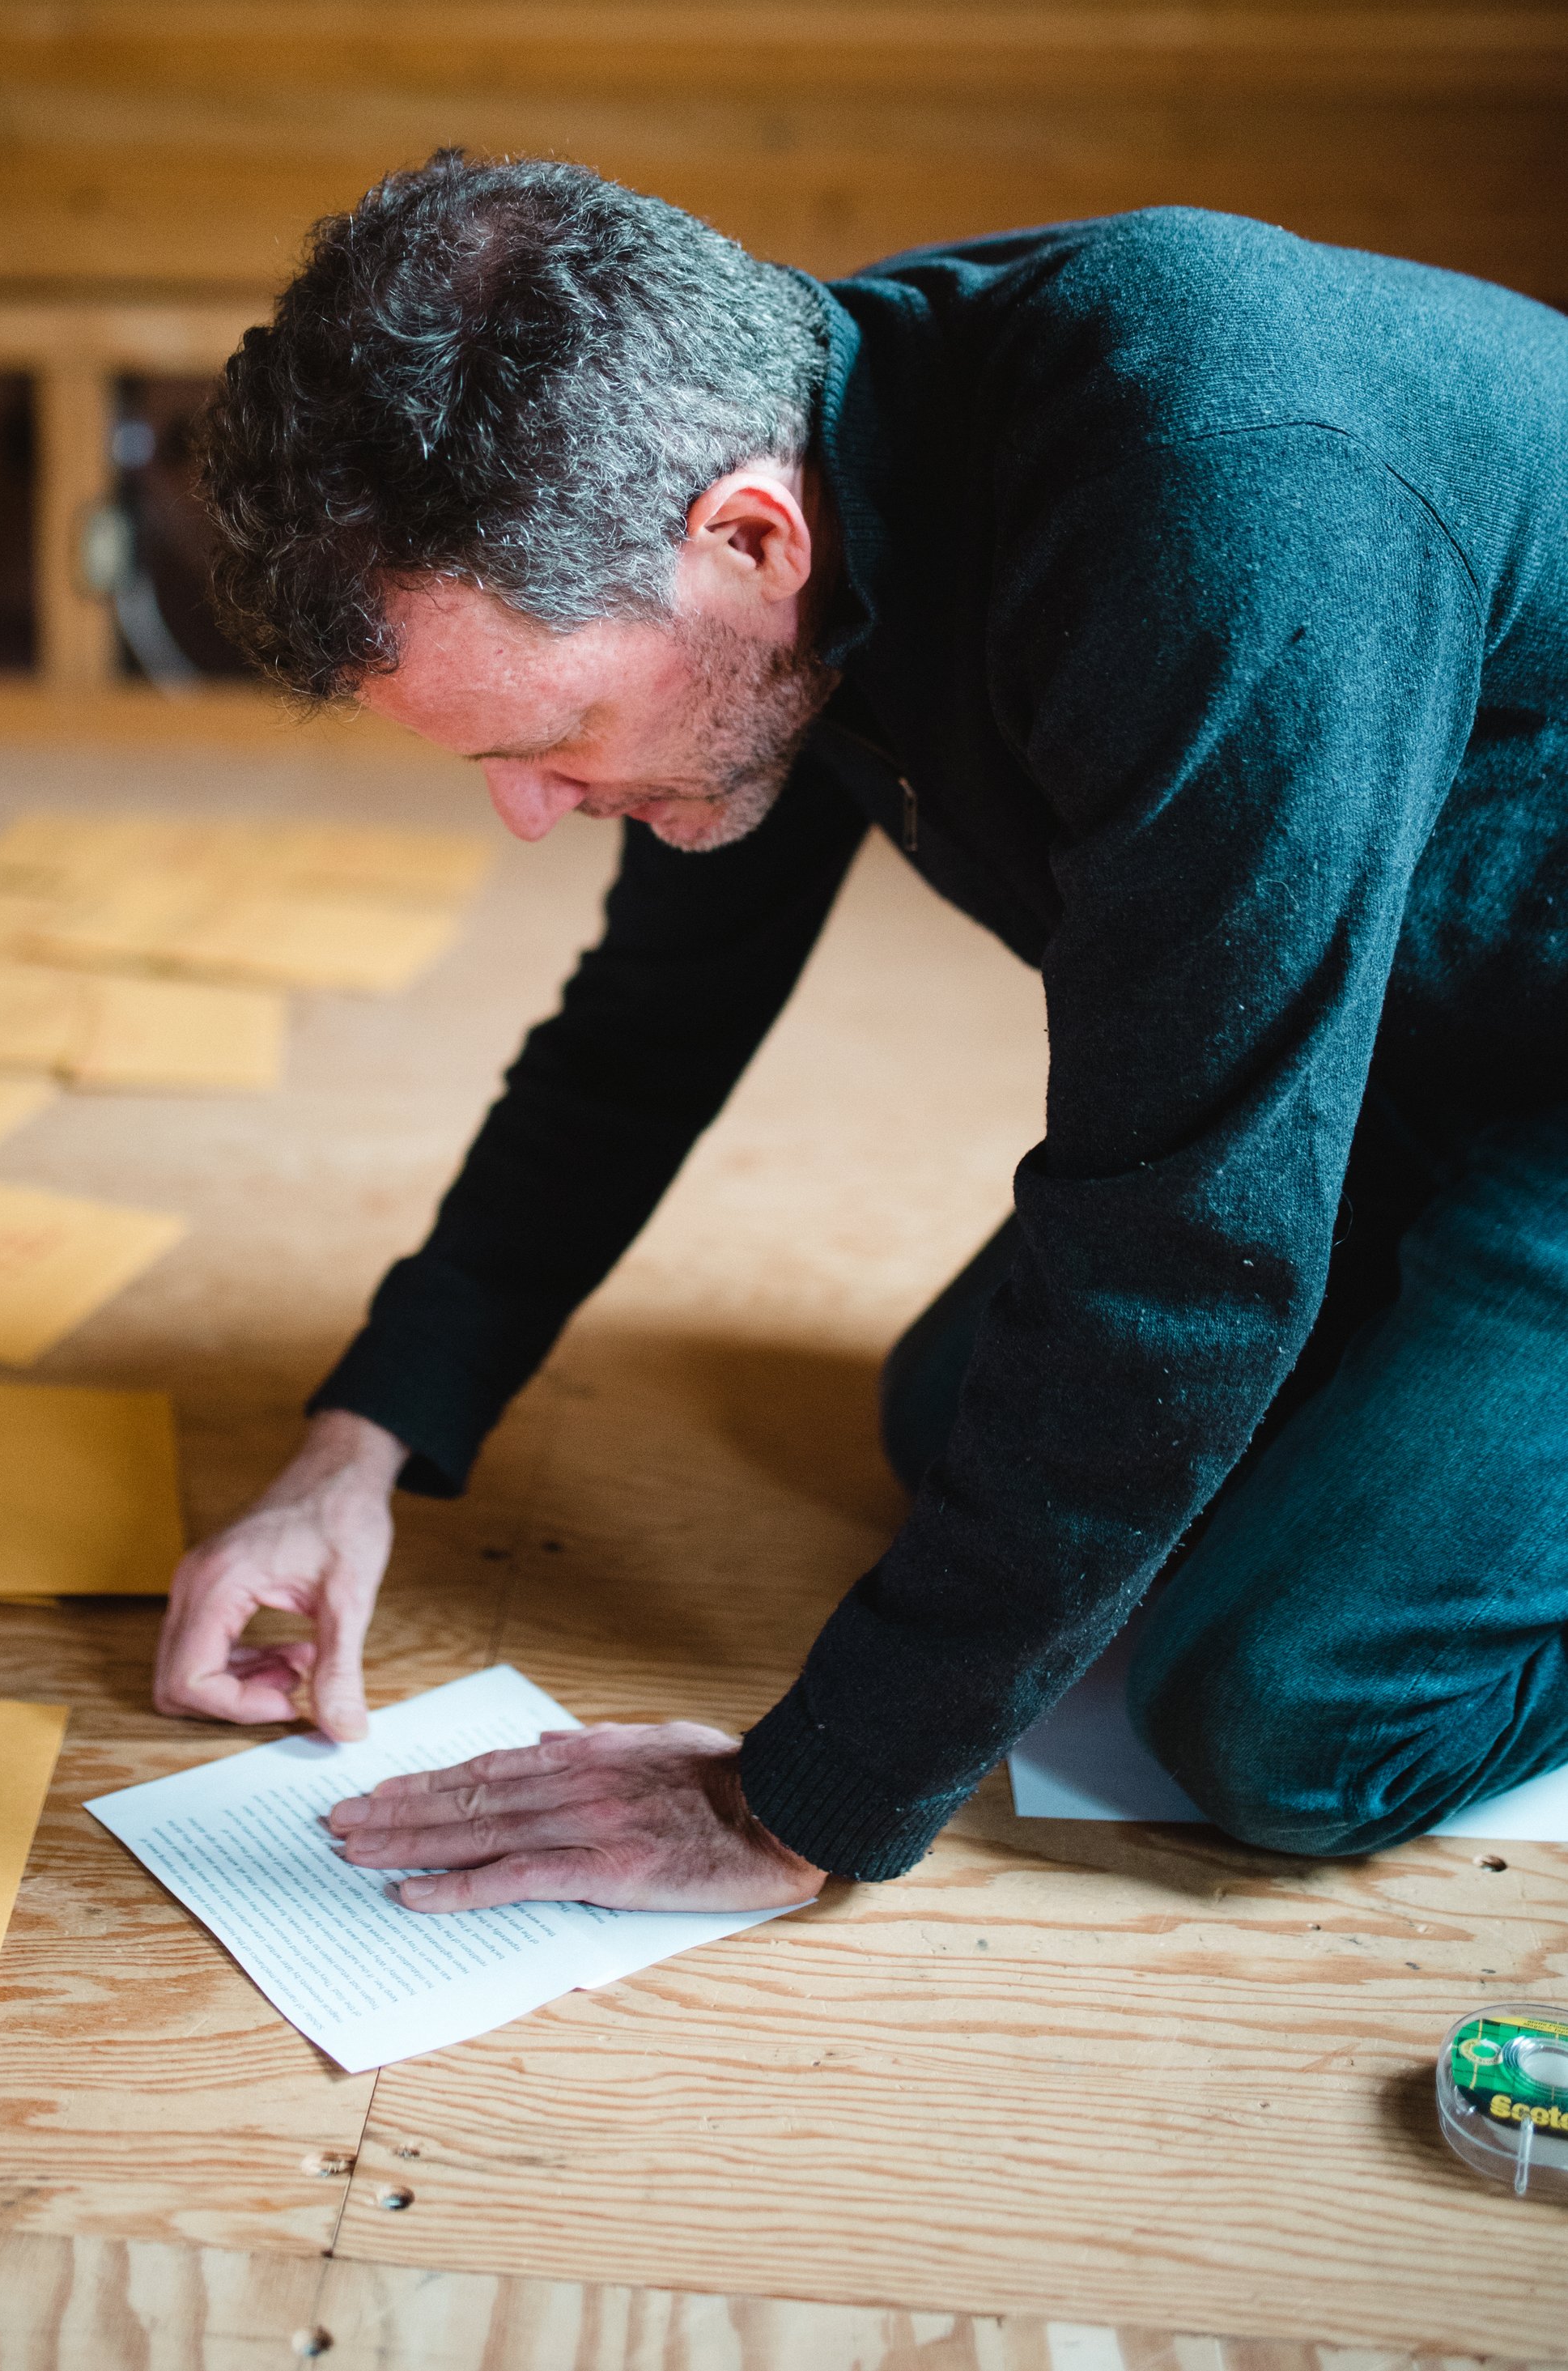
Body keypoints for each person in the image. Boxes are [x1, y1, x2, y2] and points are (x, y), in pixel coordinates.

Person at [152, 151, 1568, 1921]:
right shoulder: (800, 461)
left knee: (1290, 1717)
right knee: (949, 1420)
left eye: (555, 730)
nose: (528, 813)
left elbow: (1186, 1244)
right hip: (1405, 1032)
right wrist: (355, 1442)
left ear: (748, 542)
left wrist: (791, 1801)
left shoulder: (1219, 513)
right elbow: (646, 1025)